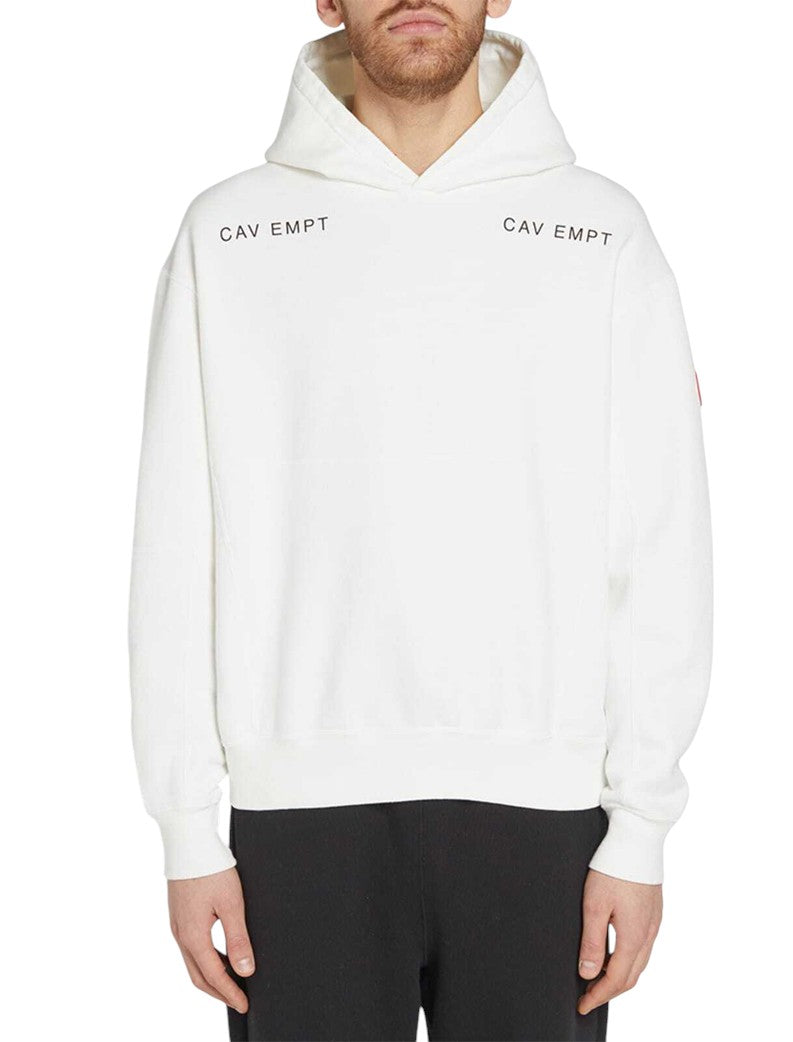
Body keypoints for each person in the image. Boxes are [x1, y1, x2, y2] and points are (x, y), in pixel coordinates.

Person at [128, 1, 713, 1039]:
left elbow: (662, 538)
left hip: (546, 816)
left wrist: (639, 828)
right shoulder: (227, 231)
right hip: (295, 818)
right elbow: (176, 540)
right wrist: (185, 828)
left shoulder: (601, 230)